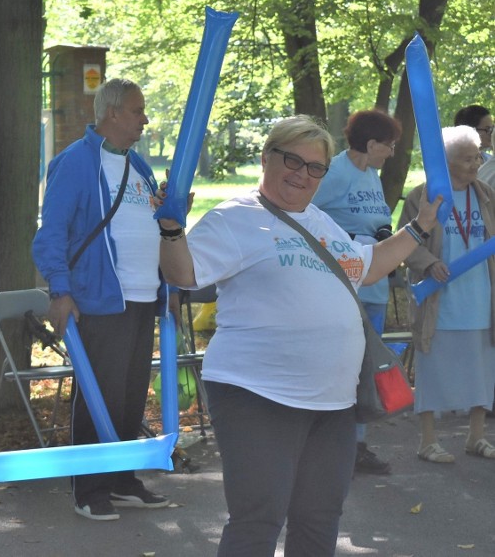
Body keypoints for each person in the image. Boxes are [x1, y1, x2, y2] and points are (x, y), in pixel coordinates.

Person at [157, 115, 439, 556]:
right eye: (292, 160)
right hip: (257, 394)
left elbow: (369, 266)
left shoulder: (321, 222)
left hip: (334, 402)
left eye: (315, 168)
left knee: (319, 519)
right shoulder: (235, 217)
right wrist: (171, 229)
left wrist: (420, 225)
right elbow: (183, 273)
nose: (302, 174)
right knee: (257, 519)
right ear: (268, 157)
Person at [32, 78, 171, 522]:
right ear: (111, 113)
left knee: (131, 395)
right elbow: (51, 231)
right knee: (98, 396)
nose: (144, 119)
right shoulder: (75, 163)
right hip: (99, 298)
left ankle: (123, 478)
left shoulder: (140, 166)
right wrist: (60, 289)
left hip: (143, 295)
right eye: (137, 110)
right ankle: (88, 487)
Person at [311, 109, 401, 475]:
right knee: (338, 366)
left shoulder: (372, 177)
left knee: (366, 369)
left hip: (374, 284)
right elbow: (308, 214)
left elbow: (377, 218)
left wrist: (383, 233)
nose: (392, 152)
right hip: (342, 285)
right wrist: (348, 240)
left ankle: (357, 445)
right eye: (389, 145)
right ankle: (326, 445)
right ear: (371, 143)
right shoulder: (335, 172)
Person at [399, 125, 495, 463]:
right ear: (447, 163)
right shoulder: (423, 196)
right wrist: (427, 263)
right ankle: (428, 441)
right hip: (438, 301)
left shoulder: (486, 193)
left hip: (481, 297)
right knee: (433, 370)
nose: (476, 163)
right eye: (468, 159)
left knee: (482, 369)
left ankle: (476, 437)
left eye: (478, 156)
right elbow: (406, 243)